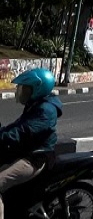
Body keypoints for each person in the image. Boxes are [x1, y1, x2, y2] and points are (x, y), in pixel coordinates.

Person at [0, 69, 62, 219]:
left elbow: (22, 131)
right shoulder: (35, 105)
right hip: (25, 151)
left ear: (37, 88)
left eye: (24, 88)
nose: (20, 92)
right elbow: (16, 126)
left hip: (35, 158)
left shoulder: (46, 110)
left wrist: (3, 136)